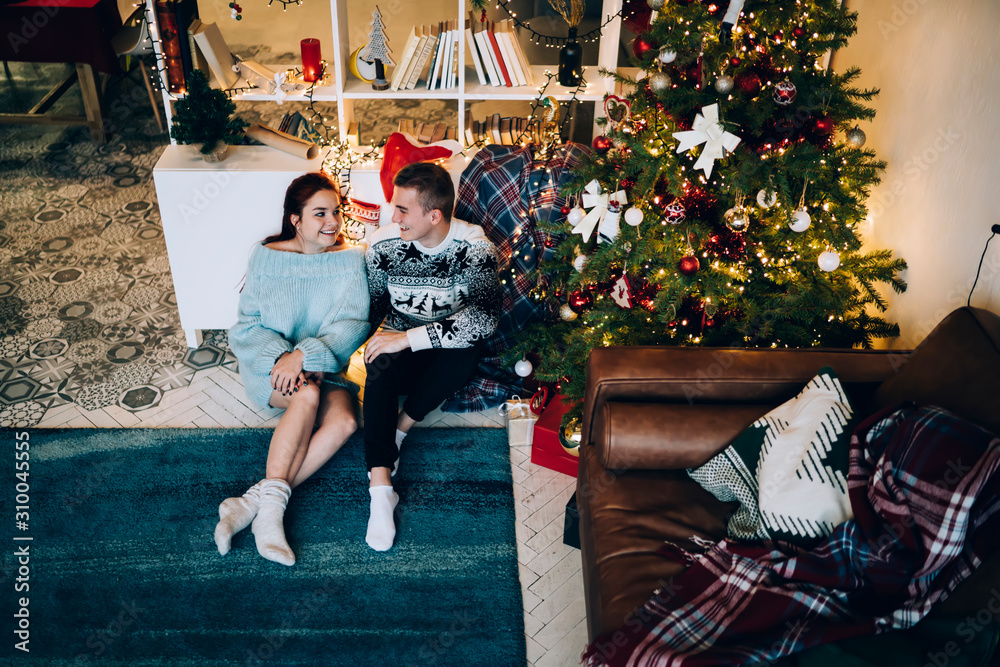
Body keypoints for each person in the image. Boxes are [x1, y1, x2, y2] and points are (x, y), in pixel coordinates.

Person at [218, 172, 370, 566]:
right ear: (295, 220)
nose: (333, 222)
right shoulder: (267, 257)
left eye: (336, 212)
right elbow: (247, 328)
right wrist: (282, 359)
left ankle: (254, 502)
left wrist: (305, 356)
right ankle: (270, 518)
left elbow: (353, 325)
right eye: (319, 214)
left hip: (324, 366)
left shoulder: (351, 260)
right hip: (270, 370)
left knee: (346, 423)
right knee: (306, 392)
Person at [363, 161, 500, 551]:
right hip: (398, 351)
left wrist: (408, 338)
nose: (394, 217)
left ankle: (401, 427)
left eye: (403, 210)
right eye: (395, 207)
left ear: (434, 214)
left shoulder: (475, 249)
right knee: (378, 364)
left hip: (441, 351)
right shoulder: (382, 244)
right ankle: (380, 488)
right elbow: (371, 308)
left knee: (467, 352)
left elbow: (484, 319)